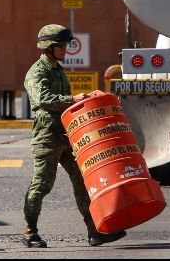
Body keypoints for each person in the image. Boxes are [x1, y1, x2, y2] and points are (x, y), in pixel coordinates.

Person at [22, 24, 126, 248]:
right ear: (49, 47)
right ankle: (30, 231)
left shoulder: (58, 69)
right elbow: (44, 99)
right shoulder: (36, 72)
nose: (66, 49)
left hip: (67, 136)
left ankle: (95, 231)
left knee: (83, 183)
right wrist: (73, 99)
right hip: (47, 137)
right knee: (42, 185)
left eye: (66, 45)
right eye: (62, 45)